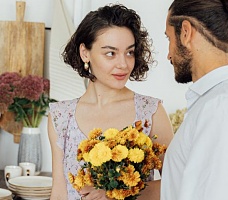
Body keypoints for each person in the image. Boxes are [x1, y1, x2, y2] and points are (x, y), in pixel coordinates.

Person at [48, 4, 174, 200]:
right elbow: (59, 192)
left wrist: (117, 193)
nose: (123, 64)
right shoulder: (60, 116)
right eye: (110, 53)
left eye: (129, 52)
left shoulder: (151, 112)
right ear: (85, 53)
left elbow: (176, 184)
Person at [161, 0, 228, 199]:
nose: (168, 54)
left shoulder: (224, 106)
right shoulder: (219, 101)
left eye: (169, 38)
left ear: (185, 32)